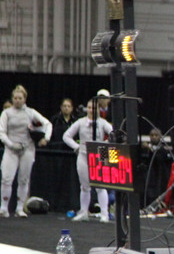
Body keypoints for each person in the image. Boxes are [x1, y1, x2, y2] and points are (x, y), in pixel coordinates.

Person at [0, 85, 51, 218]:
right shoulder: (6, 113)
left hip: (27, 149)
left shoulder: (30, 112)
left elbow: (47, 124)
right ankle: (4, 208)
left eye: (20, 98)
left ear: (24, 99)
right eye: (15, 98)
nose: (17, 100)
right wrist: (11, 144)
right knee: (6, 178)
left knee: (24, 179)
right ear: (12, 99)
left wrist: (46, 138)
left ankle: (19, 208)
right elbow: (2, 133)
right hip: (11, 150)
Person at [62, 98, 114, 223]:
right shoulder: (80, 122)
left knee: (101, 186)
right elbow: (66, 136)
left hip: (100, 153)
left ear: (98, 109)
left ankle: (104, 214)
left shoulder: (102, 123)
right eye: (89, 108)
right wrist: (77, 147)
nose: (91, 110)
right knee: (85, 186)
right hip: (84, 153)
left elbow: (114, 134)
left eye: (94, 108)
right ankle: (83, 212)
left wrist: (104, 145)